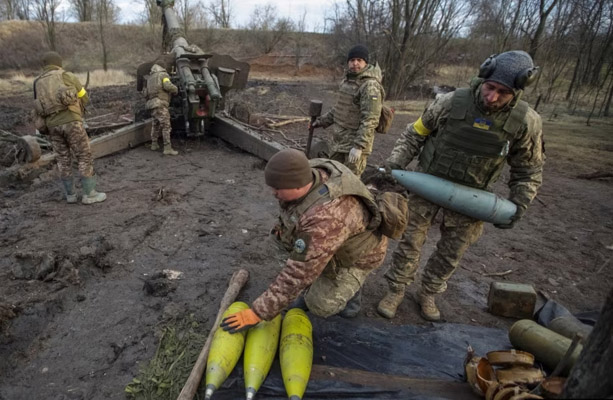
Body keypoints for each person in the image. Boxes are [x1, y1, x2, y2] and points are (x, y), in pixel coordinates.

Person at [377, 50, 545, 321]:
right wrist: (395, 163)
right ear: (483, 77)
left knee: (451, 252)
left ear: (517, 91)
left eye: (503, 92)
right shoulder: (450, 102)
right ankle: (396, 289)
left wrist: (520, 204)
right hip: (427, 185)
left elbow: (529, 169)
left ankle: (428, 292)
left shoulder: (526, 122)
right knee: (409, 242)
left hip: (473, 198)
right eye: (490, 88)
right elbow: (414, 134)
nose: (492, 97)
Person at [221, 149, 405, 333]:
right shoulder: (310, 170)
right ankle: (322, 268)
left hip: (359, 255)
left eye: (277, 188)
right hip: (333, 238)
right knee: (278, 244)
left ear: (297, 185)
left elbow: (298, 274)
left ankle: (352, 295)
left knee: (319, 304)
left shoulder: (325, 218)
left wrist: (257, 313)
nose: (273, 193)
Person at [33, 51, 106, 205]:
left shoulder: (37, 82)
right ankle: (89, 194)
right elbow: (84, 96)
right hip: (71, 122)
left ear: (44, 65)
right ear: (59, 63)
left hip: (52, 126)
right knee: (84, 155)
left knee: (63, 160)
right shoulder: (66, 75)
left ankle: (70, 195)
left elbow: (37, 105)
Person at [311, 44, 385, 176]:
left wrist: (358, 146)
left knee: (349, 182)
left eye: (359, 60)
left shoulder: (370, 86)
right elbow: (340, 108)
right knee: (332, 176)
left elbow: (370, 120)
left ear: (365, 62)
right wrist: (321, 121)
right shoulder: (347, 81)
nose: (355, 63)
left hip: (354, 146)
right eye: (352, 60)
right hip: (338, 142)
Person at [145, 64, 179, 156]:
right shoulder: (163, 75)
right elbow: (167, 85)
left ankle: (154, 144)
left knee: (155, 124)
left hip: (152, 105)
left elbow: (145, 94)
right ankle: (167, 148)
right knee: (166, 126)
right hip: (160, 104)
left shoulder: (150, 79)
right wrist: (176, 89)